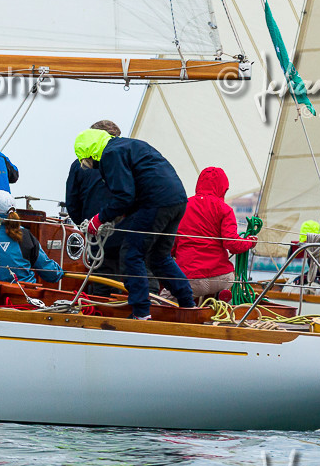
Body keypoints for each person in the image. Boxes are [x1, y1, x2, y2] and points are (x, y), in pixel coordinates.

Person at [72, 128, 195, 319]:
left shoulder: (110, 154)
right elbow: (140, 184)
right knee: (159, 257)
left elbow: (123, 196)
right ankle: (188, 305)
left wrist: (98, 219)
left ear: (90, 154)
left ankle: (141, 312)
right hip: (177, 201)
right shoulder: (129, 145)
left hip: (155, 203)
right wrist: (122, 215)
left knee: (131, 254)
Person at [174, 167, 257, 302]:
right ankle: (219, 308)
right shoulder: (225, 209)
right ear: (222, 188)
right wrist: (249, 242)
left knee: (161, 302)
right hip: (221, 278)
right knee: (229, 283)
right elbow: (231, 243)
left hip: (188, 278)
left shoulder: (183, 206)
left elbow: (171, 246)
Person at [64, 119, 124, 278]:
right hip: (125, 231)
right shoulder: (126, 161)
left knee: (101, 280)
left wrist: (85, 225)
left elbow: (72, 202)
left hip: (95, 233)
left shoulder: (79, 165)